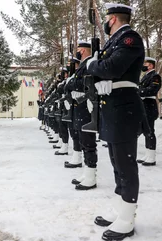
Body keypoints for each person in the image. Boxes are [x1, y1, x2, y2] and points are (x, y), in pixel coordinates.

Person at [86, 3, 144, 240]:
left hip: (124, 109)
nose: (106, 23)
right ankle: (121, 211)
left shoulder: (129, 38)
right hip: (112, 107)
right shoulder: (115, 41)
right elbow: (107, 71)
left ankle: (128, 218)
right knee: (116, 163)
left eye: (108, 19)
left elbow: (111, 68)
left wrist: (92, 65)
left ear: (114, 19)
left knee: (126, 164)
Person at [65, 41, 98, 191]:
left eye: (78, 49)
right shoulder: (84, 65)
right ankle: (87, 172)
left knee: (88, 141)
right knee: (83, 140)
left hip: (86, 106)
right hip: (80, 107)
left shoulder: (90, 63)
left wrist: (73, 83)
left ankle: (91, 175)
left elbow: (83, 83)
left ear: (83, 50)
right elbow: (73, 84)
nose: (77, 52)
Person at [137, 57, 161, 166]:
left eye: (145, 64)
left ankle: (152, 156)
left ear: (150, 65)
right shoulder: (146, 76)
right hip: (143, 105)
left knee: (150, 130)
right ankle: (148, 154)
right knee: (146, 130)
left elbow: (152, 90)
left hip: (149, 105)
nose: (144, 66)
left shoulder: (155, 76)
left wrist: (138, 91)